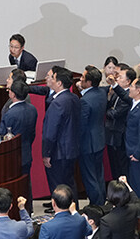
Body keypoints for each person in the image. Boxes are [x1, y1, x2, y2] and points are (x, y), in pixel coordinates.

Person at [0, 80, 37, 209]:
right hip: (27, 152)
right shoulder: (32, 109)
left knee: (15, 186)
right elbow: (32, 133)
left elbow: (0, 134)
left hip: (13, 156)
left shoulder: (11, 114)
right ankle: (28, 210)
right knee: (26, 184)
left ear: (13, 95)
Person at [42, 67, 81, 197]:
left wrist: (47, 153)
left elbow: (50, 133)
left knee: (58, 188)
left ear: (59, 83)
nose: (48, 79)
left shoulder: (57, 103)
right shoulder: (74, 98)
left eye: (51, 77)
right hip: (71, 150)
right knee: (70, 185)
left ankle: (62, 214)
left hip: (58, 153)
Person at [78, 65, 107, 206]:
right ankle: (101, 201)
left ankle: (96, 205)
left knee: (90, 177)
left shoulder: (84, 101)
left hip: (87, 143)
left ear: (89, 82)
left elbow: (81, 126)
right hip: (99, 140)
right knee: (99, 174)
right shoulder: (101, 93)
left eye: (83, 78)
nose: (80, 80)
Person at [105, 66, 134, 179]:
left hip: (120, 137)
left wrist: (108, 110)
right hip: (111, 135)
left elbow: (114, 114)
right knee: (114, 167)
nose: (117, 79)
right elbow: (109, 107)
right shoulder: (116, 92)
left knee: (121, 168)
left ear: (128, 82)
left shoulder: (128, 96)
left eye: (120, 77)